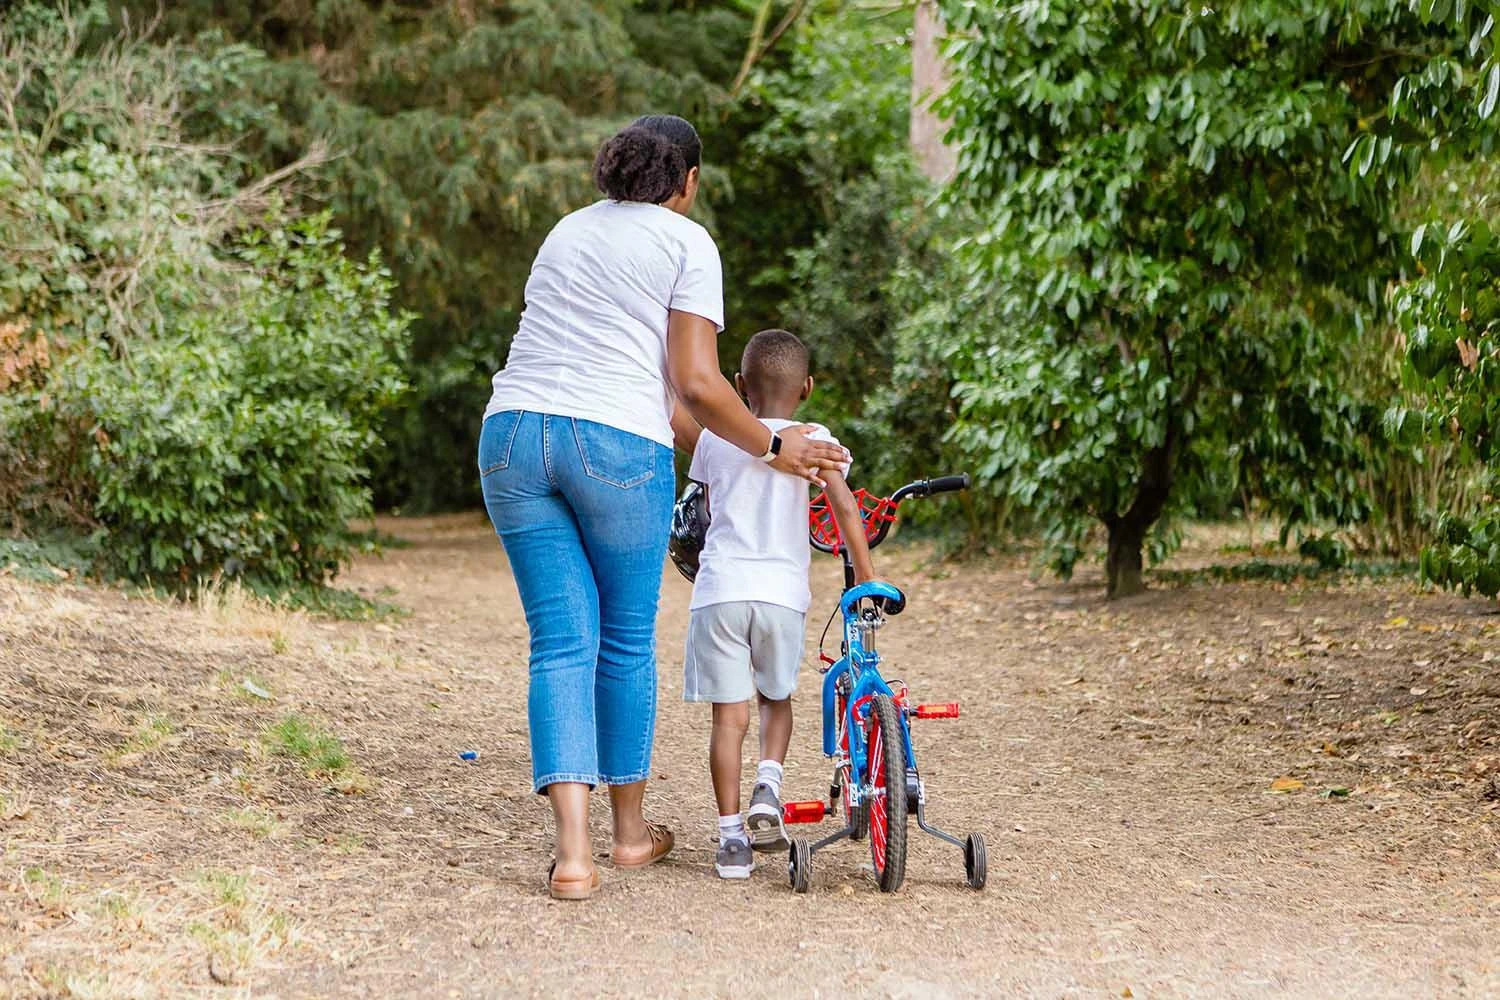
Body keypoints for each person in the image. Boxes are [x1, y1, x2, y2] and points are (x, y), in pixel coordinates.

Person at [477, 115, 849, 901]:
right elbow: (701, 384)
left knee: (559, 645)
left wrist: (733, 444)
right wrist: (777, 451)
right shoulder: (687, 243)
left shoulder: (567, 230)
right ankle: (629, 837)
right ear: (687, 181)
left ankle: (573, 859)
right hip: (613, 447)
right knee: (620, 643)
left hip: (510, 437)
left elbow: (680, 409)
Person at [682, 329, 878, 879]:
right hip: (781, 595)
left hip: (720, 590)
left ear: (740, 386)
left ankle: (730, 842)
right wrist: (867, 578)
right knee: (776, 700)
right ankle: (768, 786)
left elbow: (703, 508)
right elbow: (842, 505)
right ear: (808, 387)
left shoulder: (719, 437)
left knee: (730, 718)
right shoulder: (814, 437)